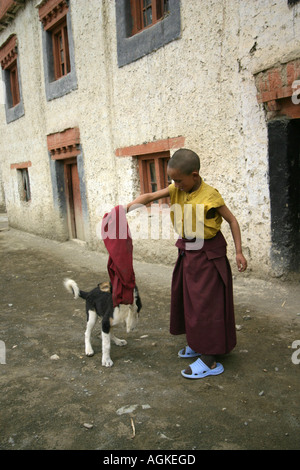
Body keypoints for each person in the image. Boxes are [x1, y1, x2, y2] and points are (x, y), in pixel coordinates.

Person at [126, 148, 247, 379]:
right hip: (188, 250)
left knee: (206, 304)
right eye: (173, 180)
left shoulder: (211, 196)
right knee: (188, 298)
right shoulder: (176, 188)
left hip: (209, 253)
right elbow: (150, 197)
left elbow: (232, 220)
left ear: (195, 174)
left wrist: (239, 252)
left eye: (179, 180)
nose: (175, 184)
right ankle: (197, 343)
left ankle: (210, 359)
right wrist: (123, 210)